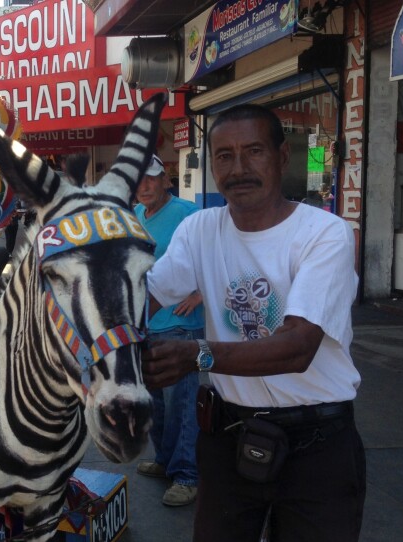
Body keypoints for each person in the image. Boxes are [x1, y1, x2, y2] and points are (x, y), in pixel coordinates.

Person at [142, 104, 365, 541]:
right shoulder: (200, 230)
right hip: (228, 438)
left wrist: (198, 355)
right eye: (224, 156)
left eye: (254, 151)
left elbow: (298, 346)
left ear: (282, 157)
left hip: (317, 445)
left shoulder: (324, 233)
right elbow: (143, 299)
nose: (238, 168)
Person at [132, 155, 204, 507]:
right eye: (139, 180)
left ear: (166, 181)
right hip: (144, 323)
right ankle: (164, 461)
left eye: (151, 179)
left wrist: (200, 292)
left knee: (182, 404)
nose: (144, 186)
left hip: (178, 326)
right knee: (156, 402)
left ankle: (187, 475)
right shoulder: (135, 216)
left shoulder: (187, 214)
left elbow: (215, 253)